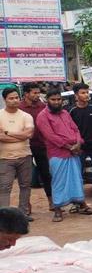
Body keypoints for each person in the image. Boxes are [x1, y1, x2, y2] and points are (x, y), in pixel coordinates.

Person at [35, 88, 92, 221]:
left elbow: (75, 129)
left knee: (77, 180)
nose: (57, 102)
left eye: (59, 99)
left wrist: (79, 143)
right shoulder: (42, 116)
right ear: (47, 100)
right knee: (59, 182)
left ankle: (81, 204)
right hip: (58, 153)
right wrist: (69, 146)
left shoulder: (65, 113)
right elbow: (50, 136)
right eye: (53, 99)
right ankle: (57, 210)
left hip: (74, 152)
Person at [0, 88, 34, 220]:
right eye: (11, 98)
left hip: (24, 155)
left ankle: (23, 214)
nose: (15, 100)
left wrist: (7, 133)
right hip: (4, 158)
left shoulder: (26, 116)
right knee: (4, 187)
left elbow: (29, 134)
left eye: (16, 98)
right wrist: (21, 136)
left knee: (25, 185)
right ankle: (4, 217)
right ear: (5, 100)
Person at [69, 82, 92, 188]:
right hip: (80, 148)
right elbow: (69, 129)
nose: (86, 95)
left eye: (87, 92)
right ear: (76, 95)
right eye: (83, 93)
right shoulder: (71, 111)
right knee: (78, 174)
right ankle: (79, 199)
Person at [19, 83, 50, 206]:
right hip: (24, 145)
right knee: (25, 178)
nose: (37, 95)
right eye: (35, 93)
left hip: (41, 145)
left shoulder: (43, 106)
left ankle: (52, 202)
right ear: (26, 94)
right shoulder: (19, 108)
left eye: (38, 93)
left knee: (47, 174)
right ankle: (26, 205)